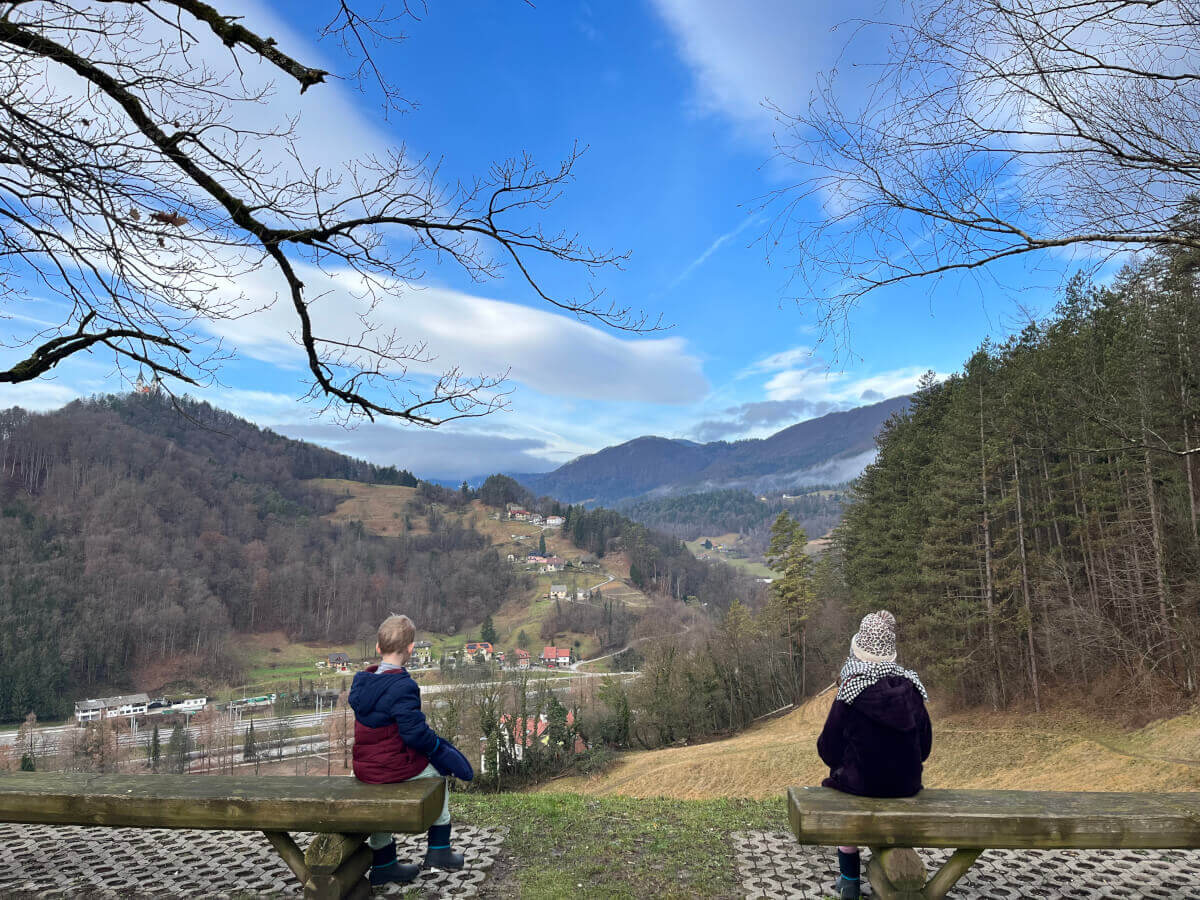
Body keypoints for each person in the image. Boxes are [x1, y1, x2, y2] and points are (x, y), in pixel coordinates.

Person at [349, 614, 475, 886]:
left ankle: (384, 863)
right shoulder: (403, 686)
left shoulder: (362, 683)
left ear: (378, 649)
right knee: (437, 778)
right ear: (410, 649)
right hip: (392, 767)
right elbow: (414, 734)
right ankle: (439, 850)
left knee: (379, 799)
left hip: (364, 768)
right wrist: (438, 749)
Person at [816, 610, 932, 900]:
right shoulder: (912, 689)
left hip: (862, 785)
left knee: (844, 795)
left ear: (857, 650)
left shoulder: (851, 692)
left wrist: (845, 763)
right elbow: (925, 748)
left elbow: (827, 749)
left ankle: (849, 880)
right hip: (907, 786)